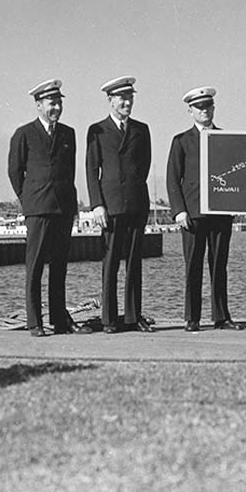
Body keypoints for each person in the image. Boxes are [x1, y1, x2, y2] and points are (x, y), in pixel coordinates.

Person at [7, 79, 91, 337]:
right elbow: (14, 172)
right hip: (38, 210)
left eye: (59, 102)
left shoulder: (69, 134)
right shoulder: (24, 134)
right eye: (51, 103)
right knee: (34, 268)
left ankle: (60, 320)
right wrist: (29, 201)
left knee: (59, 267)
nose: (56, 107)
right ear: (38, 105)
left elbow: (69, 173)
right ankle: (35, 322)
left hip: (63, 209)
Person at [166, 86, 241, 332]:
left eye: (208, 106)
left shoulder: (225, 138)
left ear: (213, 108)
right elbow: (172, 178)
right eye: (199, 107)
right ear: (190, 111)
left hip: (220, 212)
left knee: (219, 265)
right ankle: (192, 318)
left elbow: (237, 174)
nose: (204, 111)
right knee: (193, 266)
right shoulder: (181, 141)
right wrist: (179, 211)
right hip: (193, 214)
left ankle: (221, 316)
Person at [86, 76, 152, 333]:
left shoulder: (141, 129)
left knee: (134, 262)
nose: (127, 102)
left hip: (136, 203)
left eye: (130, 97)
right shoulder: (97, 130)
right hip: (110, 206)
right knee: (110, 262)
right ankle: (109, 319)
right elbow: (92, 170)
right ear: (110, 100)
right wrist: (97, 205)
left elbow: (143, 167)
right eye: (122, 98)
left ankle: (133, 317)